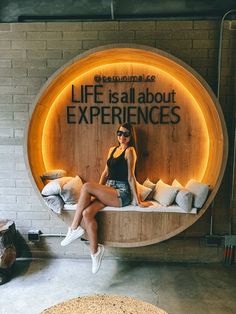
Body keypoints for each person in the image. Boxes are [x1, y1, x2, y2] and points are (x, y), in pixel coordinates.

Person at [61, 123, 152, 273]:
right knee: (86, 213)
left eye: (126, 134)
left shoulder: (130, 151)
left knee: (87, 186)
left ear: (130, 137)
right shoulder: (112, 150)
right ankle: (95, 252)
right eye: (120, 133)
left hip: (121, 193)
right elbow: (105, 173)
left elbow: (131, 177)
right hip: (109, 189)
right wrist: (97, 191)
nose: (122, 137)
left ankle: (74, 227)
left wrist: (138, 200)